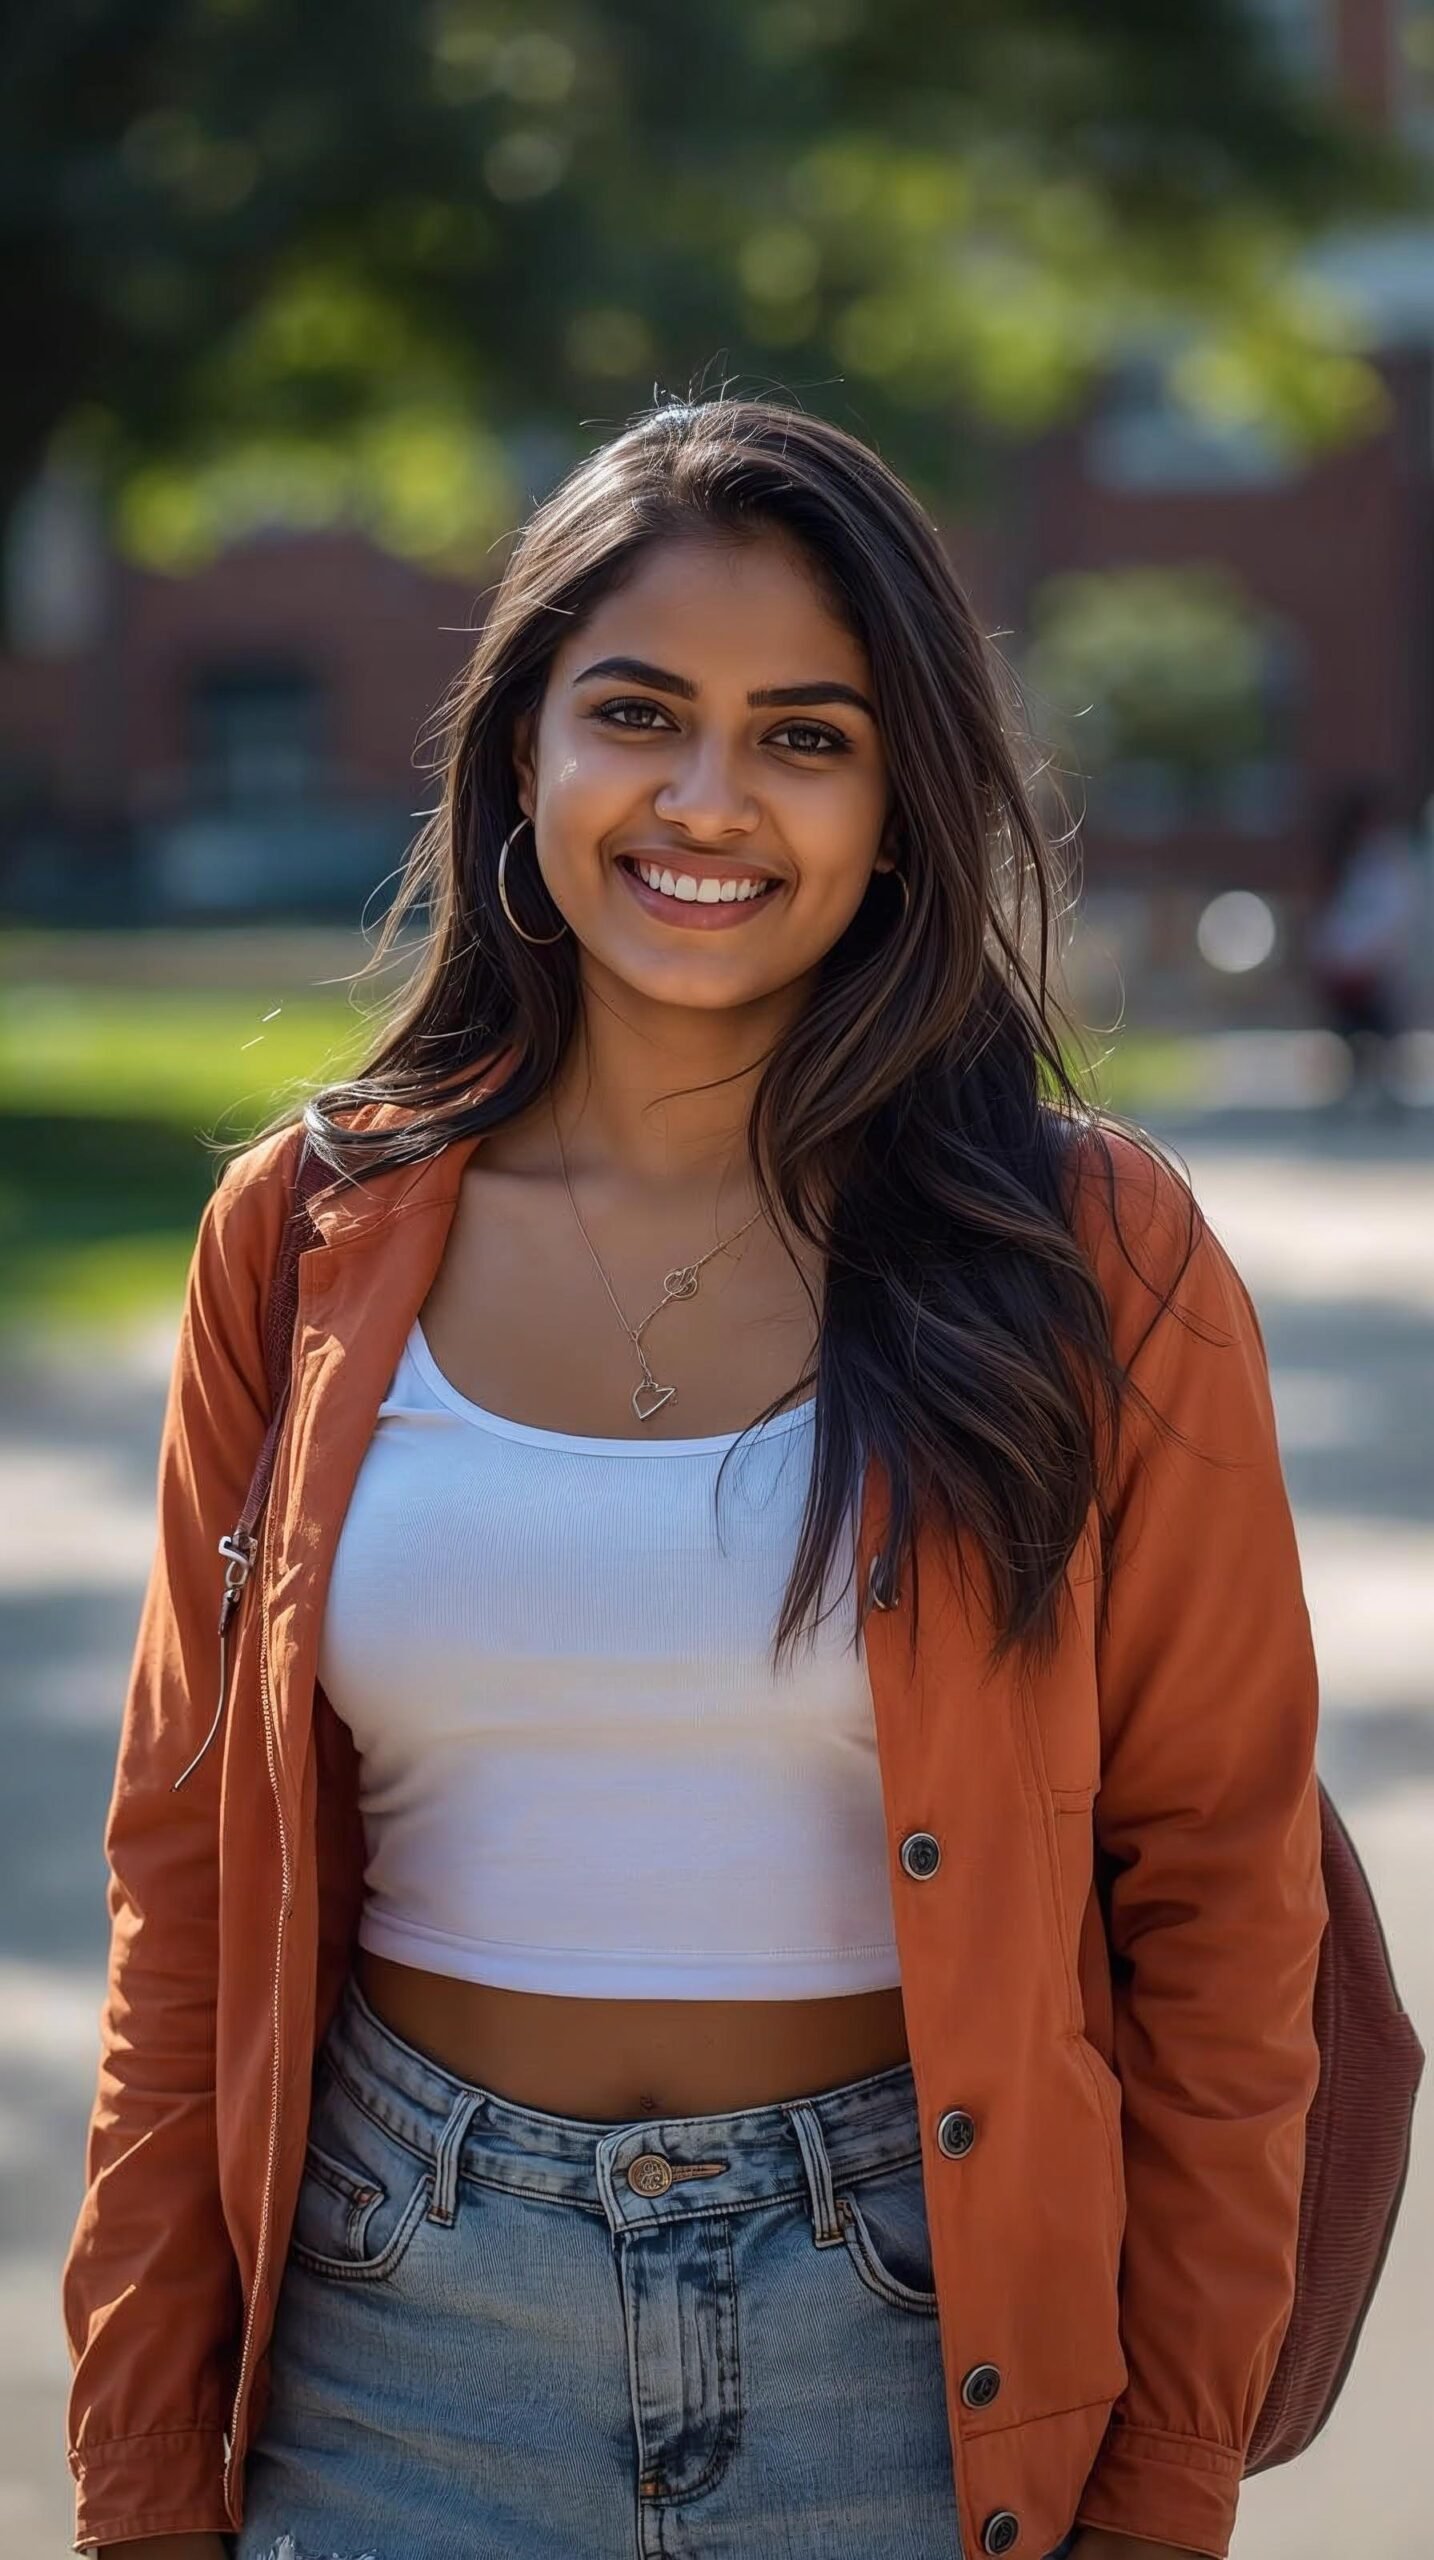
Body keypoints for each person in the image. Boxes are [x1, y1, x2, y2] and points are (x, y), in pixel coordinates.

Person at [63, 395, 1326, 2560]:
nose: (707, 799)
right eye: (637, 712)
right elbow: (183, 1887)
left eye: (804, 736)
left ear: (900, 803)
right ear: (521, 751)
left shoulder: (1092, 1254)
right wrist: (143, 2478)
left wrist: (1164, 2481)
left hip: (913, 2351)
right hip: (395, 2335)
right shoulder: (301, 1238)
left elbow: (1221, 1901)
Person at [1306, 777, 1423, 1109]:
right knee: (1350, 1032)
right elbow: (1336, 918)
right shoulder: (1346, 863)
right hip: (1347, 963)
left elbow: (1396, 913)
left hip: (1377, 963)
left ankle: (1386, 1089)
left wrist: (1379, 956)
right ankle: (1354, 1086)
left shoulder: (1389, 862)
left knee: (1382, 1031)